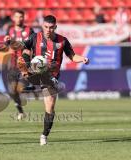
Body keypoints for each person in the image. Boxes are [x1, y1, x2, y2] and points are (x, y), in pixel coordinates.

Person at [12, 15, 89, 145]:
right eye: (46, 27)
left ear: (55, 27)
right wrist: (25, 58)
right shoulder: (35, 37)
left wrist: (83, 59)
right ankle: (28, 89)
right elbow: (24, 47)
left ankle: (44, 135)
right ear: (43, 26)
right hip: (34, 72)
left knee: (50, 106)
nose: (48, 30)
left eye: (51, 28)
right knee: (17, 82)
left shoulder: (63, 41)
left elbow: (73, 56)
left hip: (51, 77)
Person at [3, 9, 35, 120]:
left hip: (25, 65)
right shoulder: (9, 30)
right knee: (12, 91)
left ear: (24, 18)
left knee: (20, 89)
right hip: (12, 65)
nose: (19, 19)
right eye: (17, 16)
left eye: (21, 17)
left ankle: (33, 87)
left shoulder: (29, 30)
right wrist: (6, 42)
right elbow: (6, 46)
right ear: (13, 18)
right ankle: (20, 111)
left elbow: (34, 45)